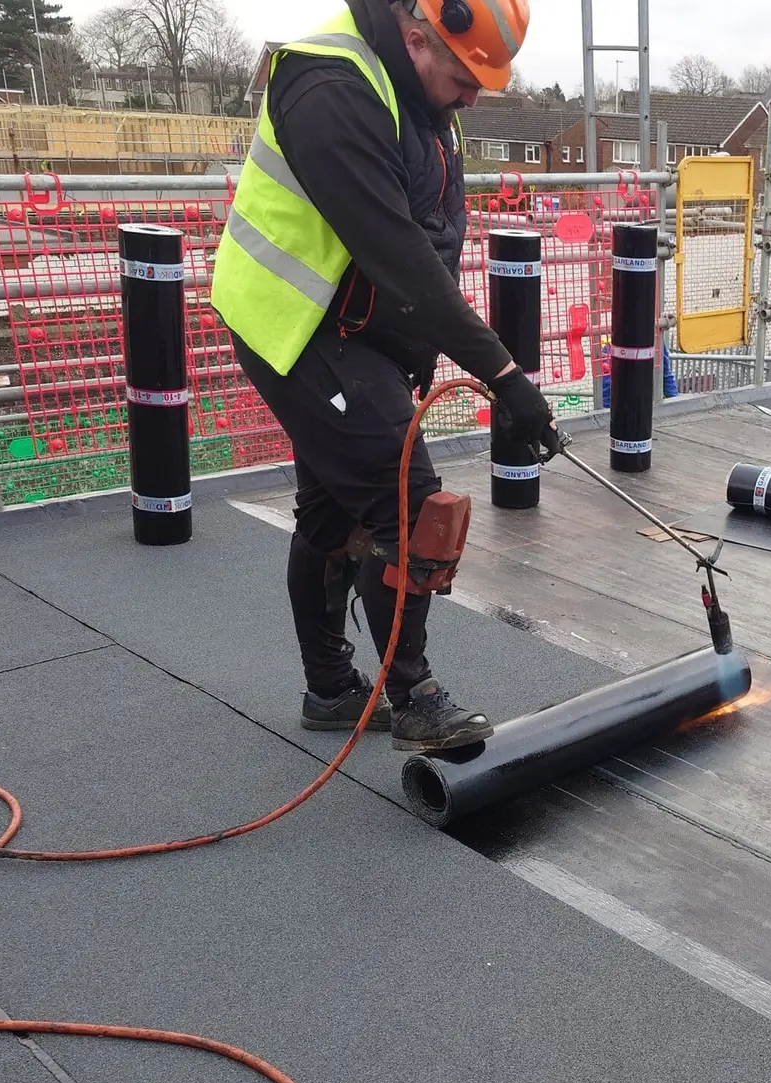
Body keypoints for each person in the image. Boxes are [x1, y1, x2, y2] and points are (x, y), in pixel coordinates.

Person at [212, 0, 557, 751]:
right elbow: (398, 255)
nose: (472, 99)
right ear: (416, 36)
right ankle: (415, 699)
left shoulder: (423, 91)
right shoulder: (329, 88)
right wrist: (504, 374)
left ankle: (331, 691)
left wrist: (421, 353)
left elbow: (432, 235)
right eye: (465, 79)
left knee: (333, 514)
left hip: (356, 328)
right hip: (297, 322)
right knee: (411, 506)